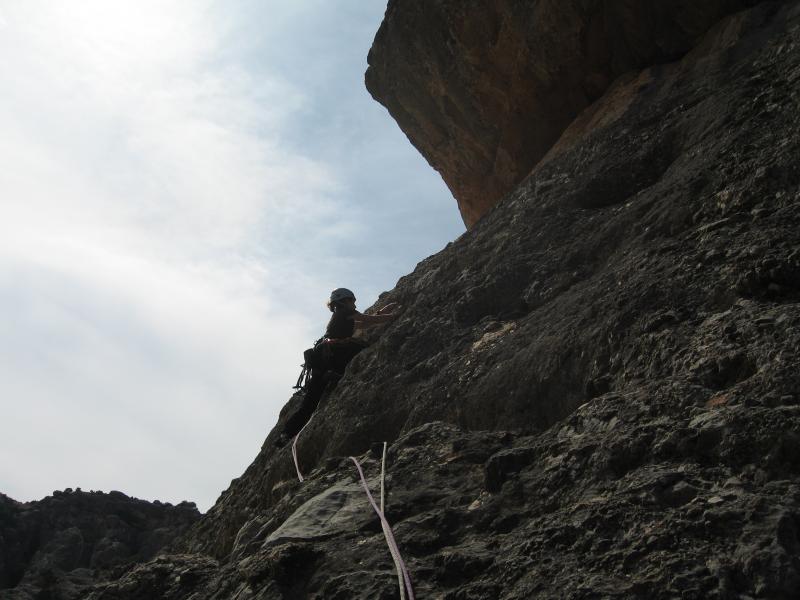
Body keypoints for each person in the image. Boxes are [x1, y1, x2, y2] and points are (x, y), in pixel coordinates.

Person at [281, 288, 399, 442]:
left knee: (309, 404)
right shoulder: (344, 311)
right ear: (344, 301)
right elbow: (367, 320)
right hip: (336, 354)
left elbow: (361, 324)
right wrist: (393, 316)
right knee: (363, 348)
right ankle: (336, 373)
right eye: (352, 301)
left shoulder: (339, 315)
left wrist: (382, 312)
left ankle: (286, 434)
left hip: (323, 361)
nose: (354, 304)